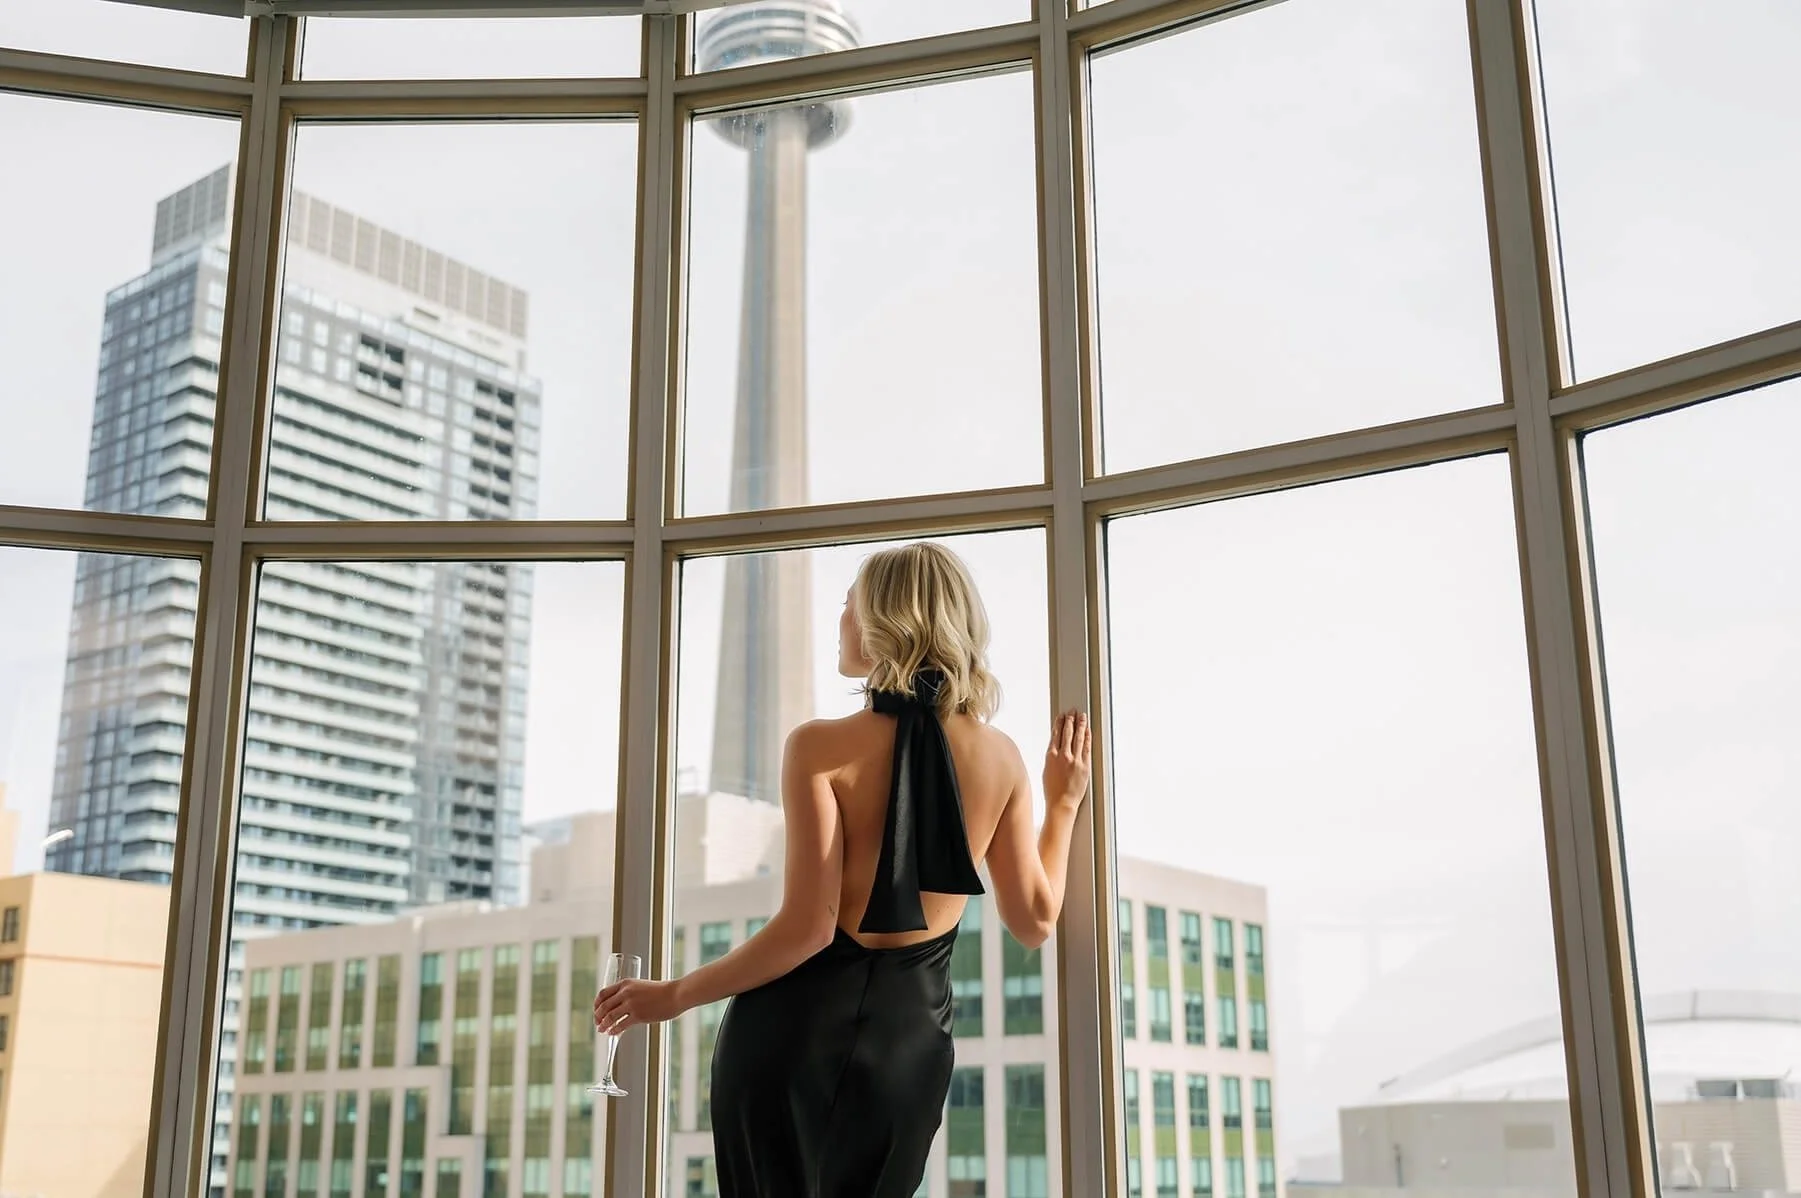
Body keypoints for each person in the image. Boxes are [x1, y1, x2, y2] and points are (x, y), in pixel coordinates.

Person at [594, 540, 1093, 1197]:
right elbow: (1034, 922)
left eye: (849, 604)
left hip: (785, 1042)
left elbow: (807, 929)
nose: (840, 620)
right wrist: (1063, 805)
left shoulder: (818, 747)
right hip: (908, 1048)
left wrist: (674, 996)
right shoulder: (1001, 758)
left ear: (885, 620)